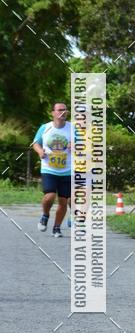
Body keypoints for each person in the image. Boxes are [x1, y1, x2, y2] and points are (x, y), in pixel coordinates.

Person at [32, 102, 73, 238]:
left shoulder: (72, 128)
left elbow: (82, 144)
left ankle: (56, 228)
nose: (63, 112)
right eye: (59, 110)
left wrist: (75, 145)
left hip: (67, 170)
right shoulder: (45, 127)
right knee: (49, 196)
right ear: (53, 113)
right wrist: (40, 151)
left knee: (63, 201)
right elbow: (35, 143)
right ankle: (45, 215)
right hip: (49, 169)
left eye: (65, 110)